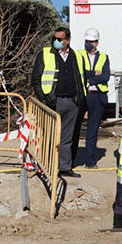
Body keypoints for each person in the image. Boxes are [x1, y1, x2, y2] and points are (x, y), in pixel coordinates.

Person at [31, 27, 86, 178]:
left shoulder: (77, 56)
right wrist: (44, 98)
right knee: (49, 135)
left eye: (60, 39)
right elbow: (36, 78)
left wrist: (79, 101)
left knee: (67, 138)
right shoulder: (45, 54)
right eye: (54, 38)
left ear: (67, 40)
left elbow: (82, 79)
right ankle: (47, 166)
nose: (56, 41)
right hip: (54, 101)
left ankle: (65, 167)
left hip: (72, 102)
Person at [77, 28, 110, 169]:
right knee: (74, 127)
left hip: (97, 97)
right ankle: (71, 159)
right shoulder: (78, 55)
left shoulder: (103, 57)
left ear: (97, 42)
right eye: (87, 41)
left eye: (91, 42)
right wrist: (93, 73)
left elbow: (105, 76)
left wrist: (89, 80)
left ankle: (90, 161)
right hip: (82, 95)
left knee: (92, 130)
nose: (89, 44)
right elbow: (79, 73)